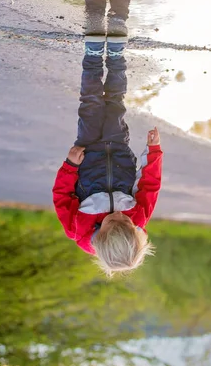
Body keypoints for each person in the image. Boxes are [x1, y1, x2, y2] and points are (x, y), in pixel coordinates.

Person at [52, 36, 163, 276]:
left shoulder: (77, 228)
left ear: (99, 237)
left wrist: (70, 165)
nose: (119, 216)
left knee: (90, 103)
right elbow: (149, 184)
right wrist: (153, 151)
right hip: (119, 148)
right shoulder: (138, 218)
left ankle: (92, 55)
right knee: (115, 104)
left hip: (87, 149)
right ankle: (116, 56)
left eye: (113, 222)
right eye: (127, 223)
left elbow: (62, 195)